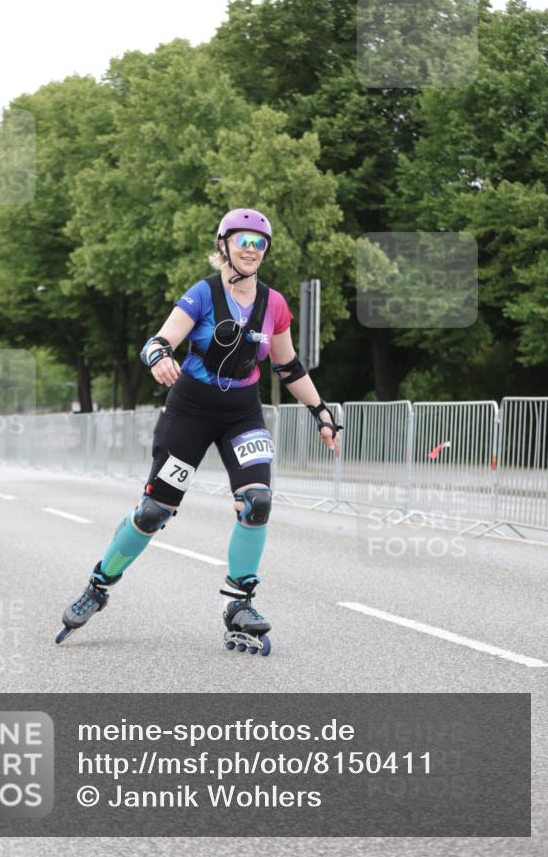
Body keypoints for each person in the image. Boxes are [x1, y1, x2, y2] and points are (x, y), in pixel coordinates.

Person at [56, 208, 341, 654]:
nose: (251, 249)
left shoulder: (274, 304)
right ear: (223, 246)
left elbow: (287, 366)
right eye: (243, 240)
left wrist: (321, 412)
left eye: (260, 243)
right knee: (154, 511)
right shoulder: (204, 293)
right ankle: (99, 584)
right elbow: (159, 341)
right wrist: (159, 358)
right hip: (190, 409)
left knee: (257, 502)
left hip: (241, 413)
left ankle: (239, 601)